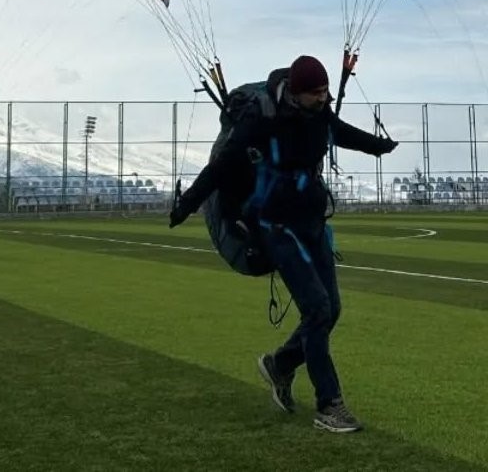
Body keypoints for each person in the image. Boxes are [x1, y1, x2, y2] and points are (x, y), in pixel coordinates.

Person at [168, 55, 397, 435]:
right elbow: (222, 166)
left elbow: (340, 132)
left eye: (326, 91)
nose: (323, 98)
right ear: (296, 91)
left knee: (331, 310)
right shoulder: (261, 117)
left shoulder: (319, 114)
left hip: (311, 222)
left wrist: (379, 146)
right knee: (317, 308)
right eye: (316, 93)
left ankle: (280, 364)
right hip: (277, 226)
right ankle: (329, 405)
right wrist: (187, 204)